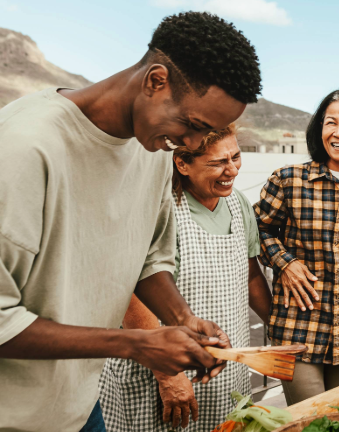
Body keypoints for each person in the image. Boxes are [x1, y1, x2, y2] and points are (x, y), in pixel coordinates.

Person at [0, 12, 262, 431]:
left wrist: (182, 318)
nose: (191, 145)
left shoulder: (153, 150)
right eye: (192, 126)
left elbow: (148, 257)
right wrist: (137, 344)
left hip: (82, 404)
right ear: (155, 81)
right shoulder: (23, 148)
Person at [99, 125, 272, 431]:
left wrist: (281, 326)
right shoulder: (157, 205)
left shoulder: (238, 204)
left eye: (235, 157)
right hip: (160, 366)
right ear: (183, 164)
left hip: (224, 367)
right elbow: (129, 296)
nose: (231, 169)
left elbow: (250, 277)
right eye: (218, 162)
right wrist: (169, 377)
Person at [255, 88, 339, 405]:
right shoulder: (288, 179)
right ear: (319, 128)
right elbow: (258, 229)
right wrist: (284, 262)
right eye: (331, 123)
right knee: (310, 420)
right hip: (297, 325)